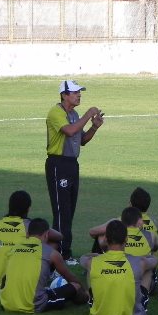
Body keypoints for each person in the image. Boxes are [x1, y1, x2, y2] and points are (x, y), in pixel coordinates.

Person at [45, 79, 104, 264]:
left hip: (71, 164)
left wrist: (94, 127)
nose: (79, 95)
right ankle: (63, 254)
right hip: (58, 164)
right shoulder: (56, 112)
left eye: (80, 92)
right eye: (75, 92)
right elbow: (70, 131)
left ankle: (60, 250)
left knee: (69, 210)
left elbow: (82, 140)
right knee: (62, 211)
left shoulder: (75, 114)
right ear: (64, 95)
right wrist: (88, 115)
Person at [0, 218, 88, 313]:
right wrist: (85, 291)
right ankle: (88, 298)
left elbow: (5, 278)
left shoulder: (13, 249)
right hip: (33, 304)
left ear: (27, 233)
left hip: (6, 302)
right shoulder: (51, 253)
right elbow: (70, 277)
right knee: (75, 286)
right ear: (46, 234)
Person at [80, 220, 157, 315]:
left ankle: (94, 301)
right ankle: (140, 304)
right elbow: (154, 260)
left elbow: (83, 258)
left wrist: (99, 255)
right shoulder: (140, 262)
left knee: (91, 271)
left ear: (106, 239)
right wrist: (139, 257)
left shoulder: (92, 262)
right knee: (148, 270)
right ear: (126, 239)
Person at [0, 190, 31, 288]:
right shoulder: (29, 225)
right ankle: (46, 274)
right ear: (28, 208)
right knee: (50, 242)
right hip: (16, 282)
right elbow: (59, 236)